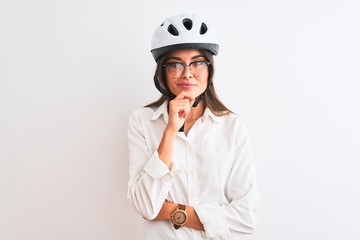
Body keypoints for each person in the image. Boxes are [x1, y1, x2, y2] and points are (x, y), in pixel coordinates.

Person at [127, 13, 261, 240]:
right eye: (175, 64)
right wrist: (170, 131)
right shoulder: (141, 121)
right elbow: (146, 206)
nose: (187, 73)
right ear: (163, 71)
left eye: (197, 62)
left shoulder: (232, 126)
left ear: (210, 68)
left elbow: (247, 218)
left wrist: (175, 212)